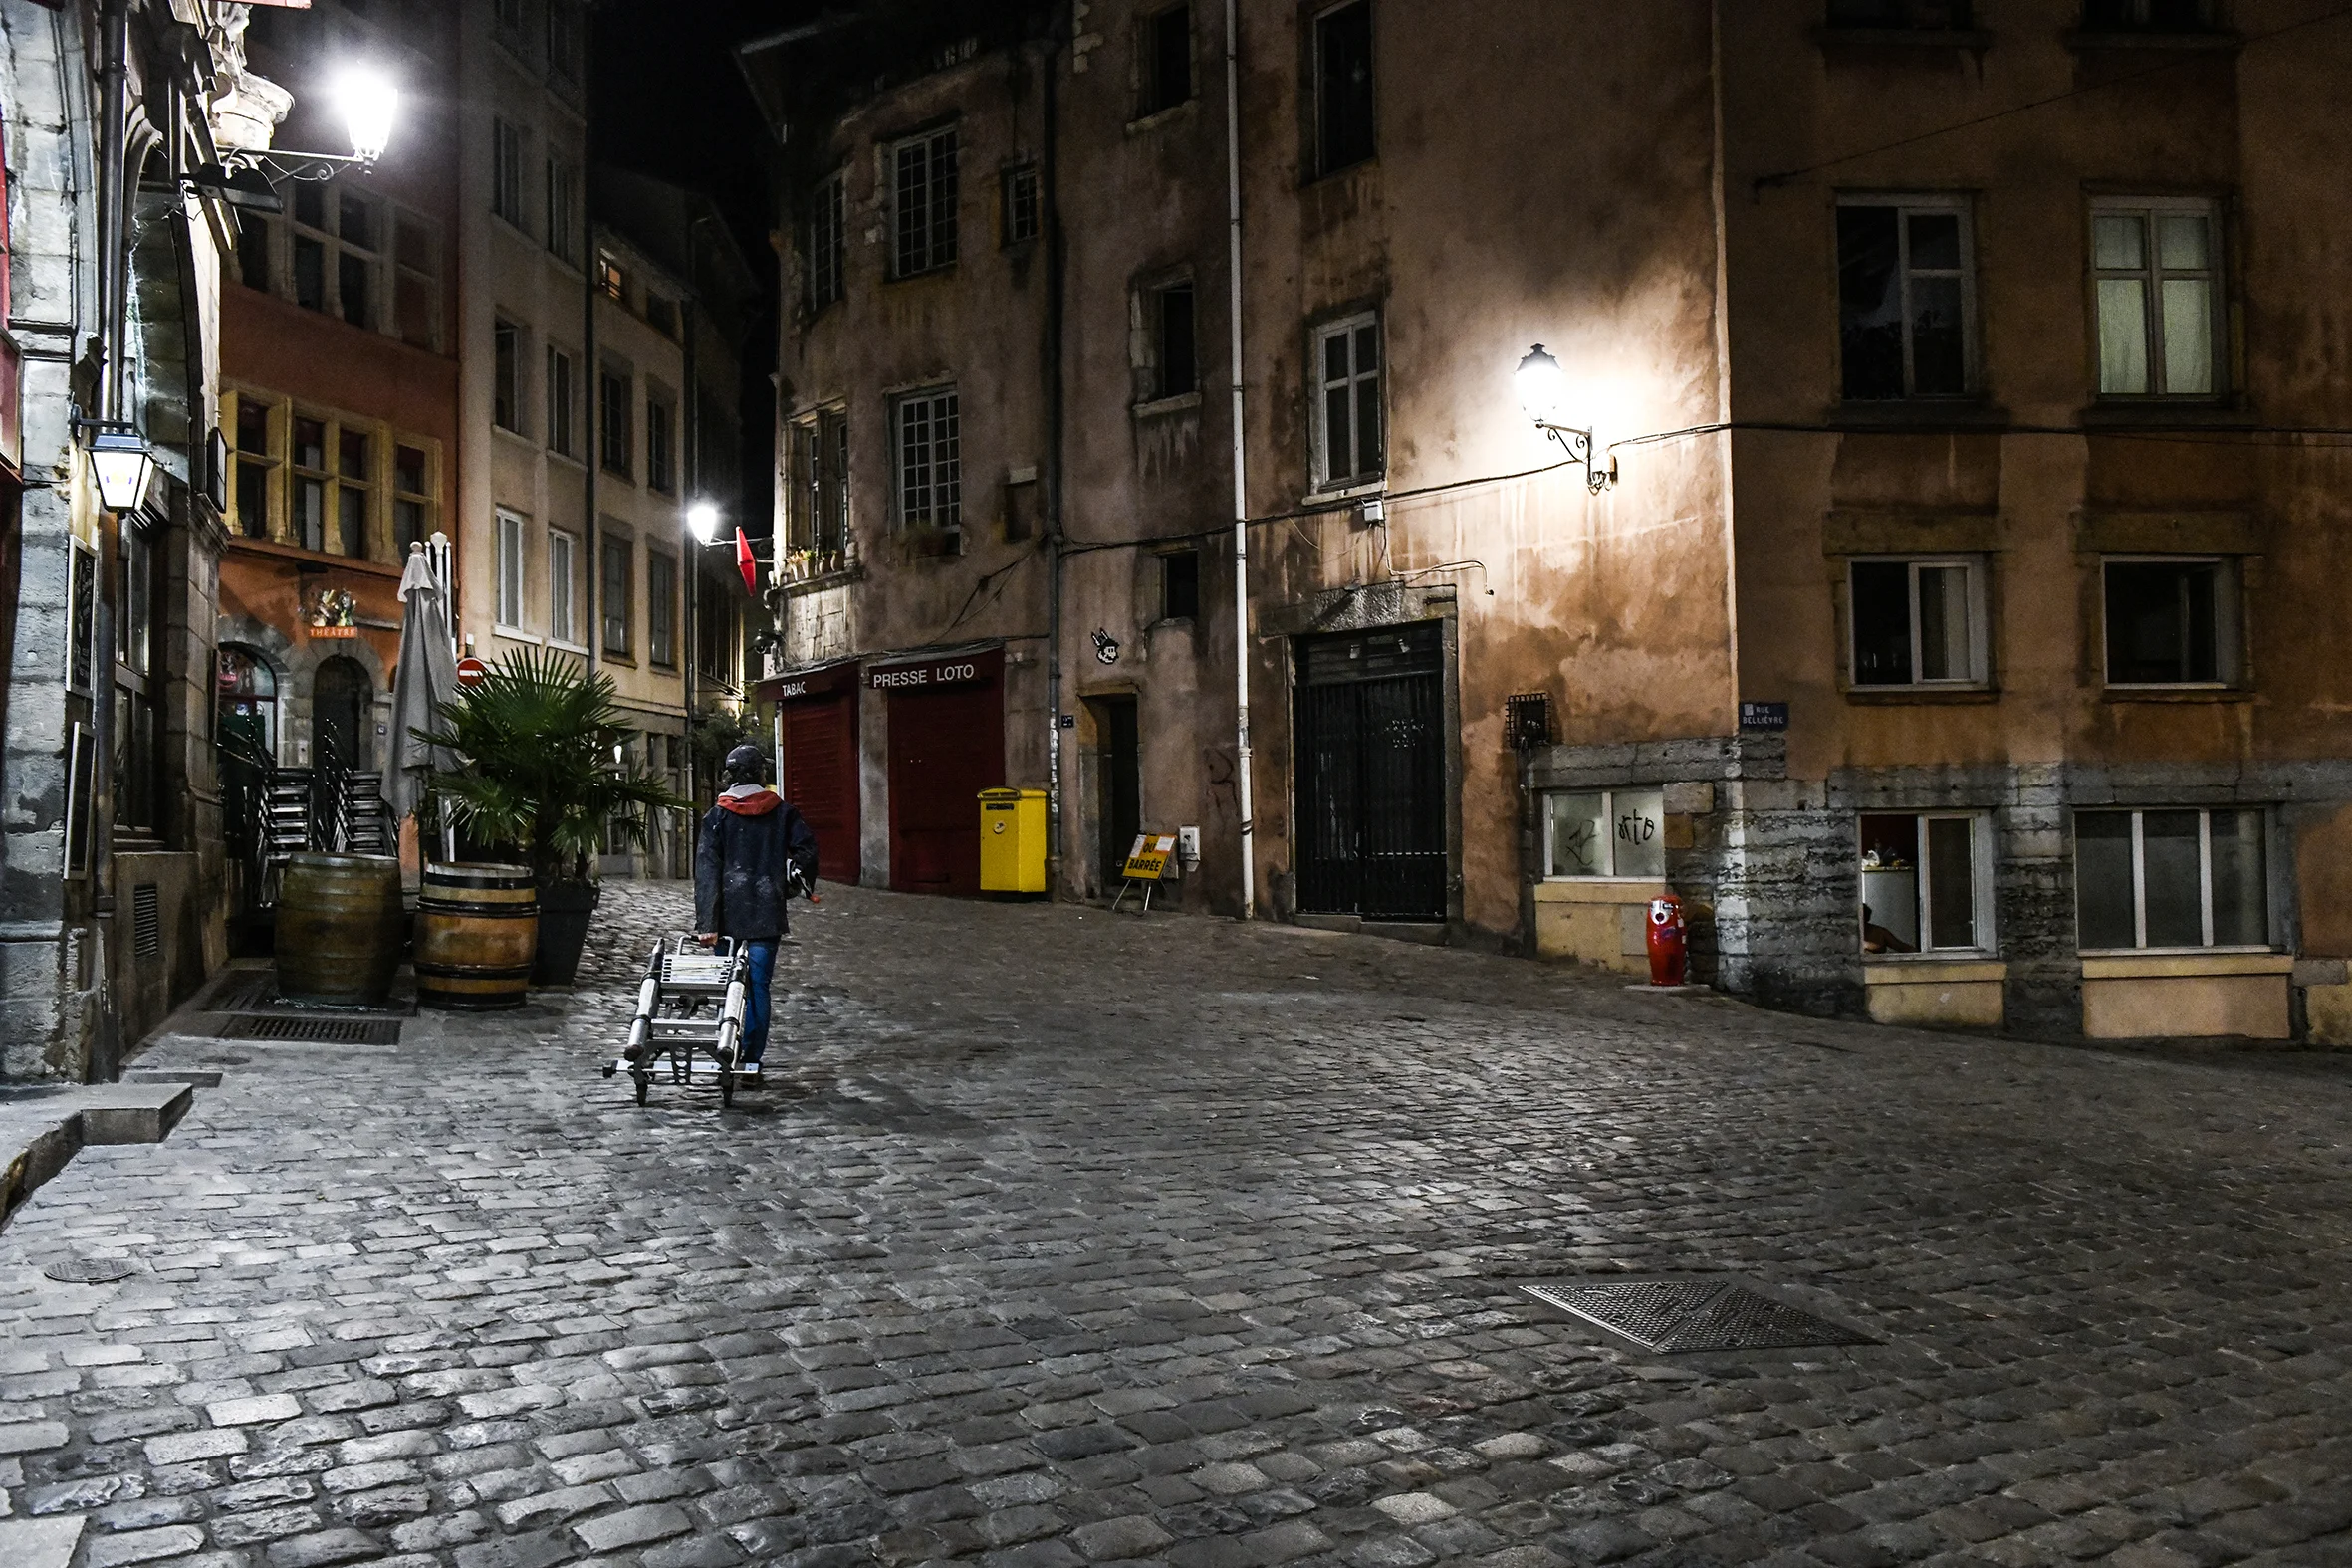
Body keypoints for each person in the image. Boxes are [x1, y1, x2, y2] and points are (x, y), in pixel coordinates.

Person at [692, 743, 818, 1070]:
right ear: (760, 773)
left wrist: (707, 923)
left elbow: (706, 872)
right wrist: (791, 883)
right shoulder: (783, 812)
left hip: (726, 916)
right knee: (759, 984)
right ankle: (751, 1058)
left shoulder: (717, 816)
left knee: (729, 983)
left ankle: (726, 1046)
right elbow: (807, 853)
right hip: (766, 908)